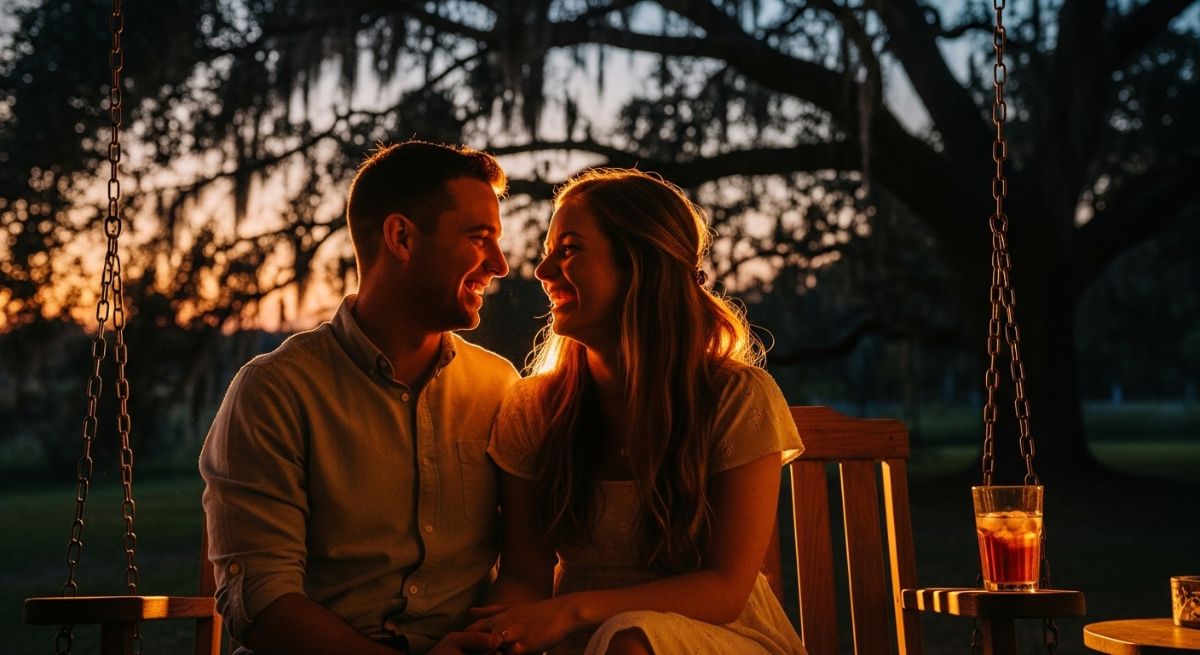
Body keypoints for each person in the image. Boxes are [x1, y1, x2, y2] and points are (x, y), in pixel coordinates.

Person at [200, 140, 518, 655]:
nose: (500, 265)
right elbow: (262, 602)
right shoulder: (276, 392)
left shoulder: (500, 389)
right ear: (401, 237)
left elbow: (524, 570)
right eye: (479, 237)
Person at [477, 168, 807, 654]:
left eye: (568, 249)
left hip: (718, 636)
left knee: (630, 641)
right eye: (549, 252)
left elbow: (725, 588)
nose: (543, 273)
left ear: (641, 264)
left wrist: (572, 611)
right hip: (577, 640)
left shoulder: (735, 398)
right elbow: (526, 575)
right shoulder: (533, 409)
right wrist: (494, 636)